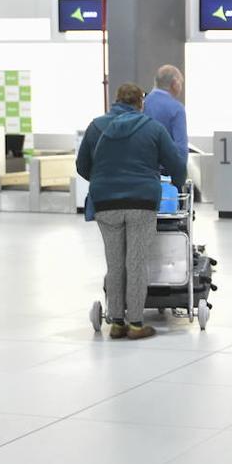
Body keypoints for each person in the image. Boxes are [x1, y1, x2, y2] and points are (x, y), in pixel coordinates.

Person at [77, 84, 188, 341]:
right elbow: (176, 165)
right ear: (141, 103)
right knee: (136, 261)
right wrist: (177, 182)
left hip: (105, 202)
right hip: (141, 200)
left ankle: (116, 322)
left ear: (116, 100)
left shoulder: (96, 127)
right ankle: (136, 324)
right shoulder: (152, 128)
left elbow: (82, 165)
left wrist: (103, 179)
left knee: (114, 263)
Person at [143, 65, 188, 162]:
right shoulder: (176, 108)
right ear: (175, 83)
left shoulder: (141, 103)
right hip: (163, 169)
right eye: (181, 83)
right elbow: (181, 149)